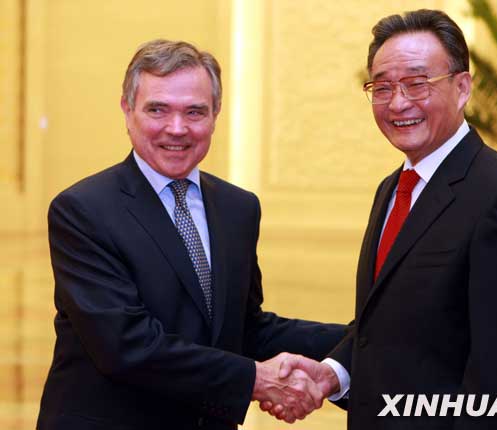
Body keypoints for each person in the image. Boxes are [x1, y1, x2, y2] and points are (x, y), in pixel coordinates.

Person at [266, 9, 497, 430]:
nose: (398, 103)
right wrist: (332, 374)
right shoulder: (392, 189)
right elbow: (385, 328)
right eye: (382, 87)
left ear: (462, 87)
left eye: (417, 83)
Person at [36, 39, 345, 430]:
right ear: (127, 110)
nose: (177, 128)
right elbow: (126, 345)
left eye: (195, 111)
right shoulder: (83, 210)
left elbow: (243, 328)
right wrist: (258, 380)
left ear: (216, 114)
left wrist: (360, 341)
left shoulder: (238, 207)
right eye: (158, 109)